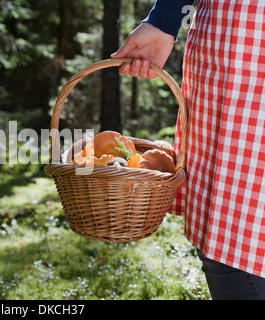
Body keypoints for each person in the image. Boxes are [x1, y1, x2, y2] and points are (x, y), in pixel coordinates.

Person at [111, 0, 265, 300]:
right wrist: (165, 19)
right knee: (231, 229)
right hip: (236, 37)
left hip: (240, 34)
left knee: (232, 238)